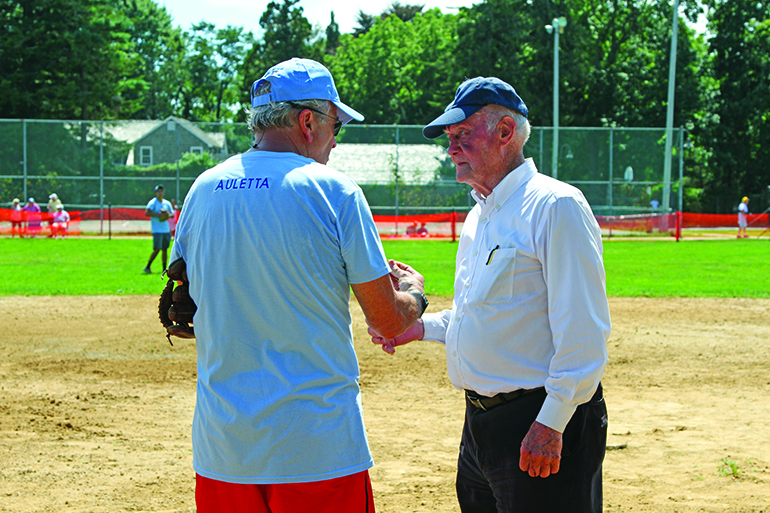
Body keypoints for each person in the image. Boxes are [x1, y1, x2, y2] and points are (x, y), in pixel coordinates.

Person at [169, 58, 428, 513]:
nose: (335, 139)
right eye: (335, 124)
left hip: (223, 448)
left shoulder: (202, 188)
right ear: (308, 122)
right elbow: (387, 321)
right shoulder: (334, 189)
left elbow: (182, 304)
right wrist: (414, 292)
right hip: (317, 450)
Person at [370, 77, 611, 513]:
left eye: (462, 135)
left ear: (505, 133)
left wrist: (551, 423)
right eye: (449, 138)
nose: (451, 149)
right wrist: (421, 328)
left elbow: (584, 333)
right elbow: (478, 314)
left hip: (538, 421)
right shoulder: (479, 215)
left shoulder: (556, 206)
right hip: (480, 425)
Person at [143, 185, 173, 274]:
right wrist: (160, 215)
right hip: (157, 230)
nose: (160, 193)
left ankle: (164, 269)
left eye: (161, 191)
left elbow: (172, 214)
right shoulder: (153, 202)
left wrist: (167, 214)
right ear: (156, 193)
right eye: (158, 191)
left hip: (165, 229)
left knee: (165, 249)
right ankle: (148, 266)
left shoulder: (167, 203)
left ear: (164, 192)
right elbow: (147, 213)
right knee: (157, 249)